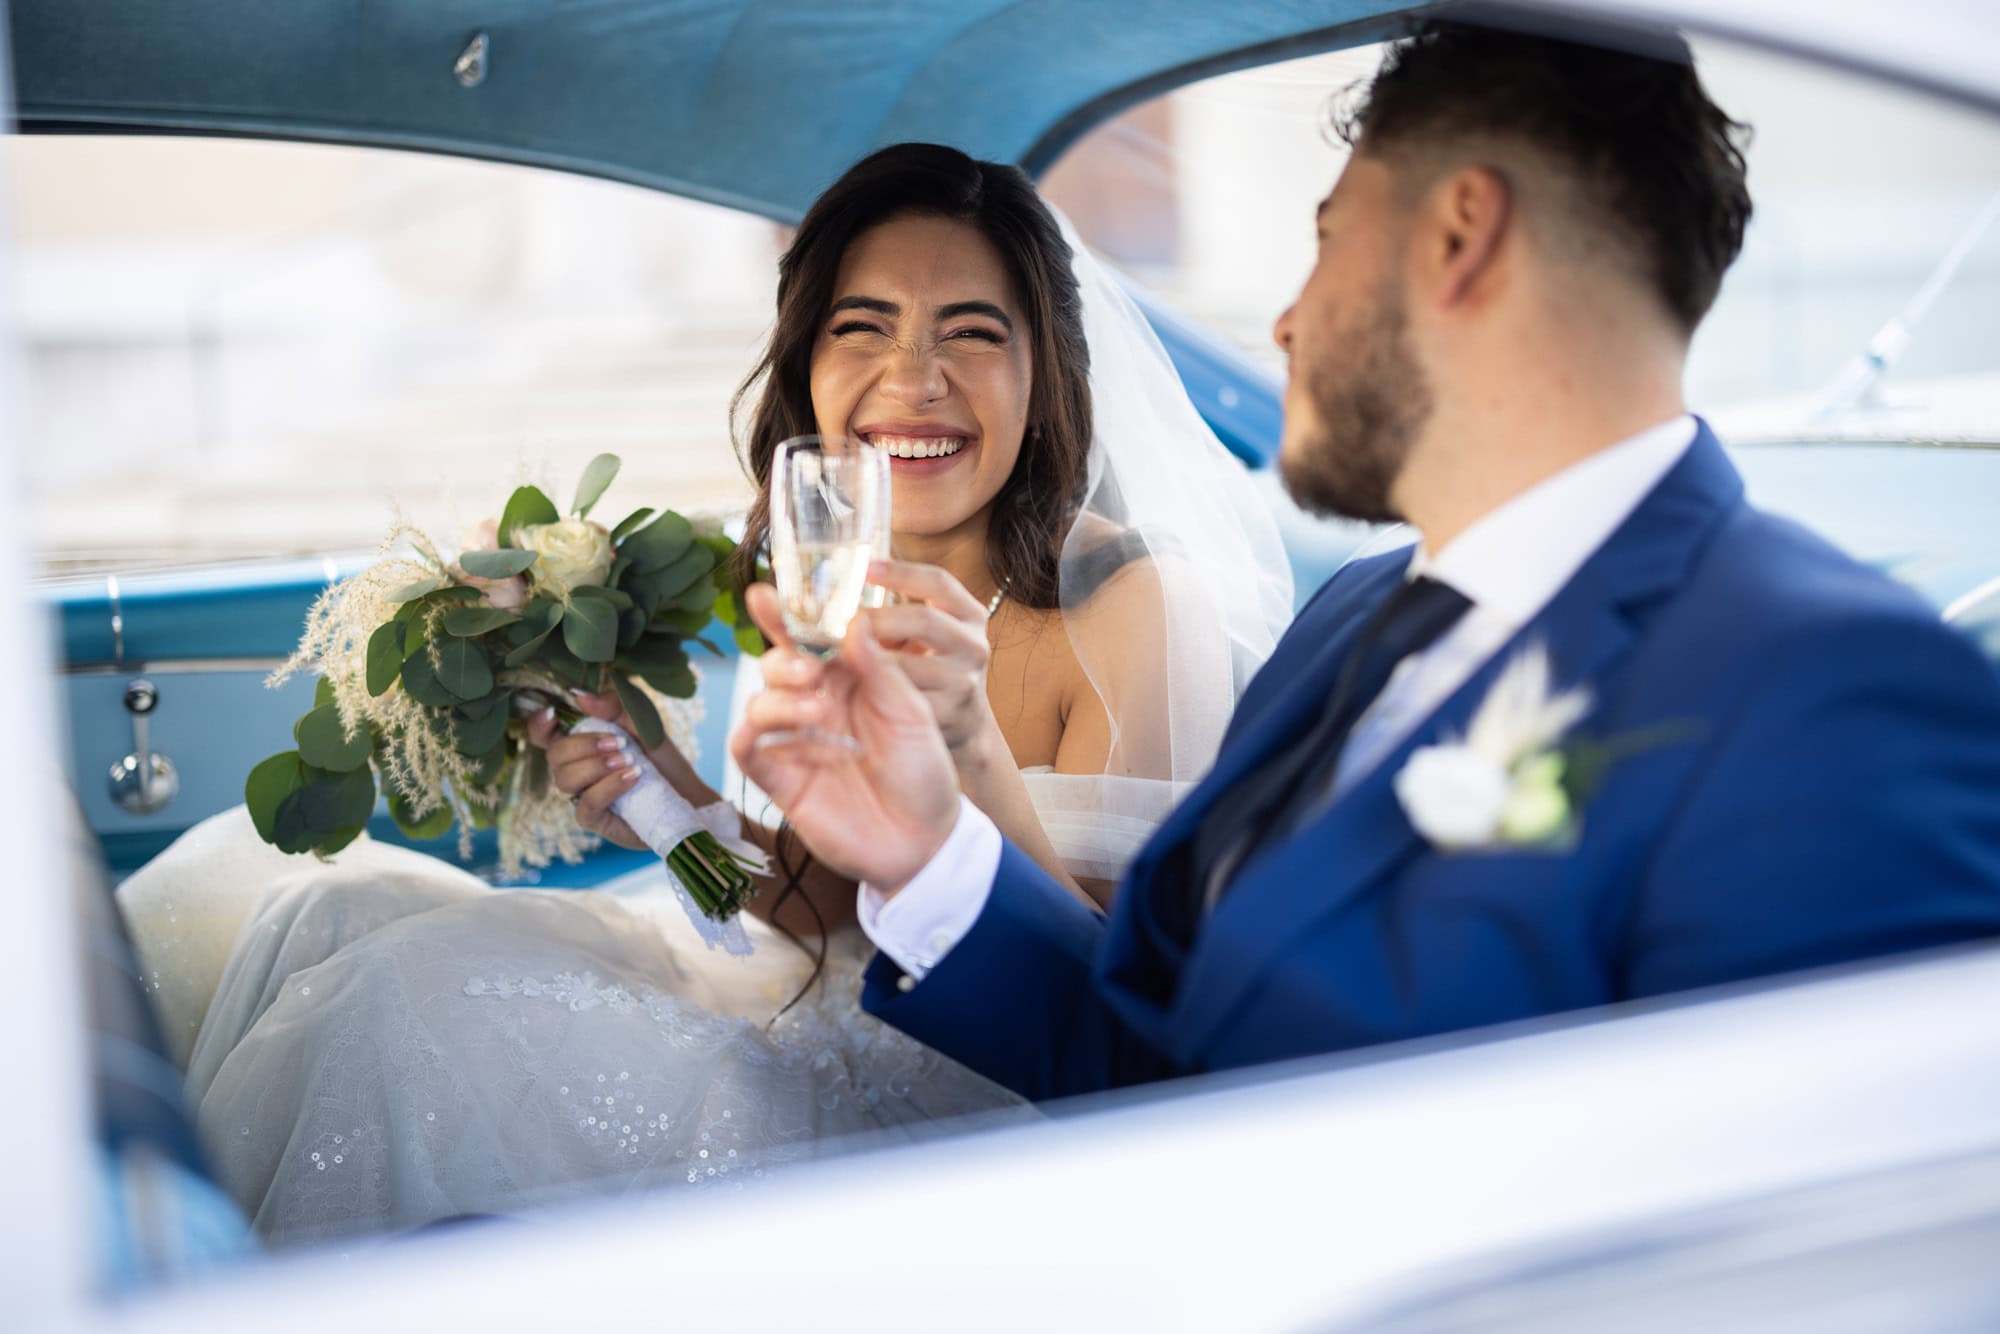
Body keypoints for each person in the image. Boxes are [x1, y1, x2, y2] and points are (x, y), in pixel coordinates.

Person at [731, 21, 2000, 1101]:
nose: (1284, 319)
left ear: (1460, 235)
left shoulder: (1830, 692)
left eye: (1328, 238)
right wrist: (929, 851)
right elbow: (1157, 1063)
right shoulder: (1345, 624)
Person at [148, 142, 1289, 1246]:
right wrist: (670, 801)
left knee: (400, 1002)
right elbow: (821, 908)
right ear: (804, 372)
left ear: (1044, 378)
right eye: (863, 329)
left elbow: (1108, 1010)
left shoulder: (1133, 607)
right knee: (325, 913)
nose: (913, 380)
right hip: (793, 992)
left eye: (972, 333)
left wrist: (972, 743)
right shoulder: (815, 566)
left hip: (966, 1105)